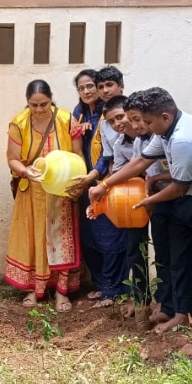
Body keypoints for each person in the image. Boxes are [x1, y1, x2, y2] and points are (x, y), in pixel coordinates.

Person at [124, 90, 192, 356]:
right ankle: (181, 313)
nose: (143, 126)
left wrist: (148, 200)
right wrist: (106, 185)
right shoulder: (166, 131)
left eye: (146, 121)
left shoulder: (183, 139)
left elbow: (179, 187)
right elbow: (142, 160)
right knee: (178, 260)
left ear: (165, 117)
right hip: (189, 201)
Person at [6, 81, 82, 311]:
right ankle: (32, 288)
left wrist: (76, 182)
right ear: (27, 103)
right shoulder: (19, 123)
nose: (39, 109)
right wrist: (25, 171)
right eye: (34, 105)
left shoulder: (67, 120)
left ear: (51, 99)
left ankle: (61, 291)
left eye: (44, 104)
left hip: (61, 190)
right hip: (32, 190)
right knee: (32, 237)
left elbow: (78, 154)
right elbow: (12, 159)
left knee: (61, 239)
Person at [85, 97, 143, 308]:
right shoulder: (119, 144)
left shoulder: (149, 136)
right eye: (111, 121)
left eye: (120, 117)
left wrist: (104, 184)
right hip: (138, 202)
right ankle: (141, 300)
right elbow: (118, 177)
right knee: (136, 249)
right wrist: (98, 203)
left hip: (166, 197)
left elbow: (140, 165)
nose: (117, 124)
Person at [71, 69, 105, 290]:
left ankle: (110, 286)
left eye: (90, 86)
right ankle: (98, 283)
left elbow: (109, 152)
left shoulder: (107, 113)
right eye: (81, 88)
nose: (86, 91)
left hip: (103, 179)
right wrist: (79, 131)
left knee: (106, 232)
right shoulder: (79, 111)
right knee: (88, 232)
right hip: (85, 179)